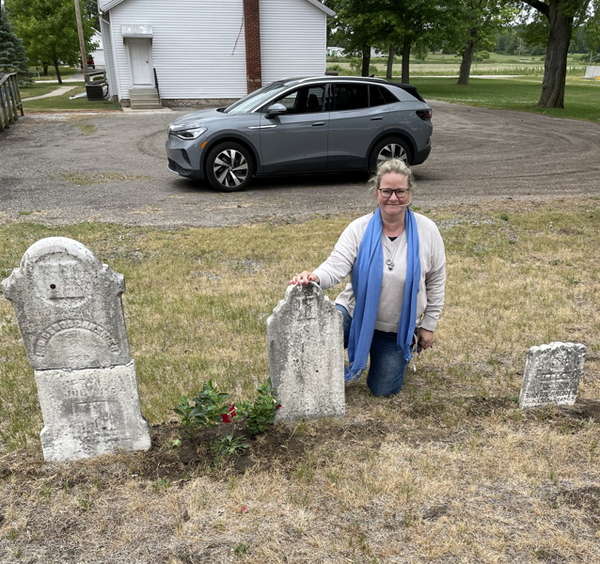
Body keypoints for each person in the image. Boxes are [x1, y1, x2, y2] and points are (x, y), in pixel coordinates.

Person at [290, 158, 446, 396]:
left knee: (383, 389)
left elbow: (436, 280)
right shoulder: (358, 229)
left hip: (394, 328)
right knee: (321, 336)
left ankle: (388, 353)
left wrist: (428, 325)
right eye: (387, 191)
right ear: (377, 193)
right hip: (355, 314)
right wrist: (313, 277)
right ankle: (322, 371)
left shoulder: (428, 230)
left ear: (409, 193)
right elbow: (336, 265)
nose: (393, 198)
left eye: (400, 191)